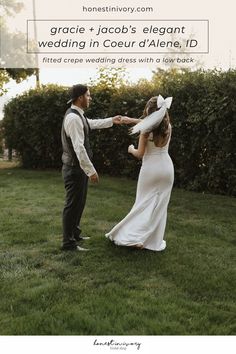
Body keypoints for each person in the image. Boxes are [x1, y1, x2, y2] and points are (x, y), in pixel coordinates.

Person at [106, 95, 174, 252]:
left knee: (142, 203)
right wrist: (132, 120)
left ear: (149, 111)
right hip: (167, 169)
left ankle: (133, 238)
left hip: (150, 169)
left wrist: (131, 149)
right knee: (159, 207)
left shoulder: (145, 130)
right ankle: (152, 240)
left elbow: (140, 154)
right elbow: (153, 123)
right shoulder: (168, 127)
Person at [61, 84, 122, 251]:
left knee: (79, 203)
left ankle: (75, 233)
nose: (90, 98)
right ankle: (68, 243)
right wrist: (91, 171)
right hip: (74, 169)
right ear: (80, 97)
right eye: (88, 95)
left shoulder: (78, 116)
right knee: (72, 205)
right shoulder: (73, 118)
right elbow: (78, 148)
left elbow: (91, 124)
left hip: (77, 169)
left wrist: (111, 120)